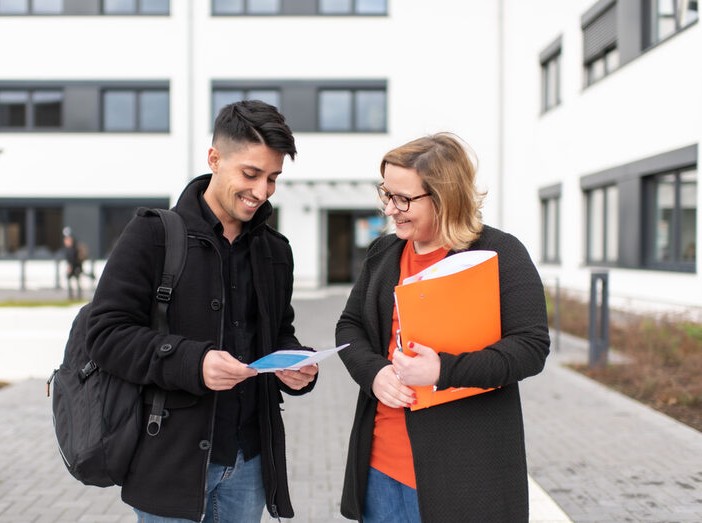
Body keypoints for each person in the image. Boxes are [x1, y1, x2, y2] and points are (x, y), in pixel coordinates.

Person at [85, 100, 318, 523]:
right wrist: (194, 362)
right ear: (214, 158)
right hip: (169, 462)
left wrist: (295, 364)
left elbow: (279, 331)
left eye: (273, 178)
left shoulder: (275, 251)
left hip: (249, 461)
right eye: (250, 174)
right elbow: (105, 335)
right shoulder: (152, 234)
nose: (261, 192)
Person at [336, 132, 550, 522]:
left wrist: (442, 371)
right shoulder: (384, 253)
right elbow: (350, 327)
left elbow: (531, 348)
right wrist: (375, 373)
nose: (390, 209)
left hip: (464, 474)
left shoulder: (499, 253)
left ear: (445, 195)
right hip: (381, 468)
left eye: (403, 199)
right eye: (386, 193)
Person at [62, 227, 83, 300]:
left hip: (75, 266)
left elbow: (72, 258)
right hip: (75, 266)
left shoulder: (72, 248)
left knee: (75, 280)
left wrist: (70, 266)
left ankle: (75, 295)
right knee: (74, 280)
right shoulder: (70, 248)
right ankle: (73, 295)